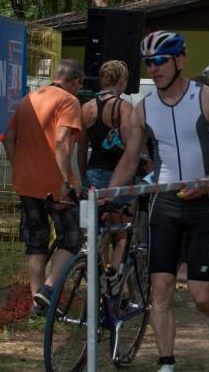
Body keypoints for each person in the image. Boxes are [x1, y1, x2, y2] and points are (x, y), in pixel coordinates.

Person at [108, 31, 209, 371]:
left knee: (200, 294)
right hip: (164, 204)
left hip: (203, 203)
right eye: (149, 63)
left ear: (180, 61)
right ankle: (166, 363)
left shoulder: (206, 97)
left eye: (160, 61)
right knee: (161, 287)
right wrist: (107, 194)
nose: (154, 68)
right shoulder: (143, 108)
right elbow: (130, 158)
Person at [2, 59, 84, 316]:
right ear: (75, 81)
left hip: (27, 184)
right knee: (71, 239)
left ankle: (38, 306)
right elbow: (62, 140)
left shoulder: (29, 99)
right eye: (80, 85)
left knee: (35, 242)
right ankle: (48, 290)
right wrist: (65, 180)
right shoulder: (69, 101)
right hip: (56, 186)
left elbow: (8, 138)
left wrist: (20, 166)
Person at [77, 60, 134, 274]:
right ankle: (114, 275)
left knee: (99, 229)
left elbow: (81, 148)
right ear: (122, 81)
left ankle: (97, 275)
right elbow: (129, 146)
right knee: (122, 231)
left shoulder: (86, 108)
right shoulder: (124, 107)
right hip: (117, 174)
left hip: (93, 172)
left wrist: (83, 176)